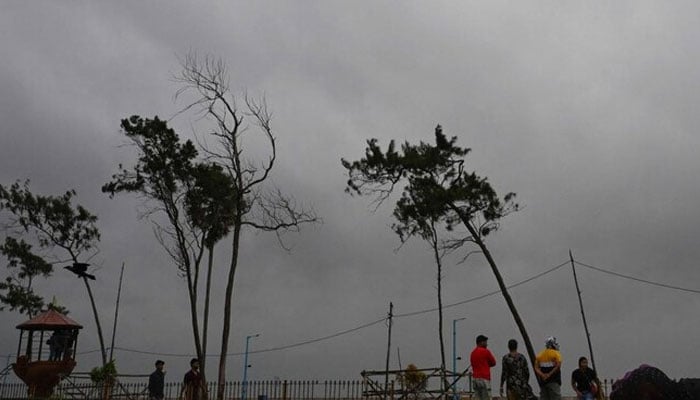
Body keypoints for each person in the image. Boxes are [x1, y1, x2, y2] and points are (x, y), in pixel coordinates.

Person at [469, 334, 496, 400]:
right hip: (484, 379)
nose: (487, 344)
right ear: (481, 342)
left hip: (475, 379)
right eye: (485, 342)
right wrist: (487, 364)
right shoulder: (486, 351)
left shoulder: (473, 353)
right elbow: (493, 362)